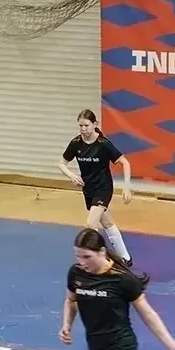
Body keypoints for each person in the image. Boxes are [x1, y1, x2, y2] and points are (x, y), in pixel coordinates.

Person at [58, 109, 135, 266]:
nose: (83, 129)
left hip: (103, 188)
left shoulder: (103, 144)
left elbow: (125, 163)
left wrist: (126, 187)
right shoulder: (76, 143)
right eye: (80, 126)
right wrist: (71, 175)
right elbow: (61, 163)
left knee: (91, 225)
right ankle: (126, 258)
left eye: (86, 125)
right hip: (88, 189)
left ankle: (100, 260)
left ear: (95, 124)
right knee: (107, 223)